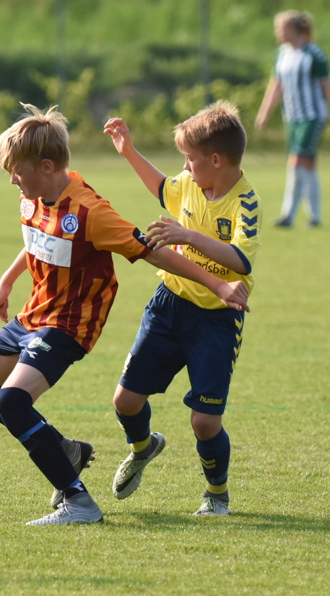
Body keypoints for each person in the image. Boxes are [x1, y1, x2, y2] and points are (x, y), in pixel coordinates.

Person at [0, 103, 249, 526]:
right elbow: (37, 236)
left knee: (12, 401)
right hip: (32, 313)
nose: (13, 180)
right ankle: (66, 450)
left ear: (46, 166)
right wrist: (6, 281)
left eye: (17, 171)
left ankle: (79, 503)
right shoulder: (34, 196)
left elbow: (153, 252)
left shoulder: (91, 213)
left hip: (68, 324)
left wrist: (219, 285)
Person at [102, 100, 261, 516]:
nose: (184, 167)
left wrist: (188, 236)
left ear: (216, 159)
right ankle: (142, 447)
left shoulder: (245, 202)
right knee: (125, 401)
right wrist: (129, 152)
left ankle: (217, 494)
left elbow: (241, 260)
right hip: (169, 304)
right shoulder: (189, 182)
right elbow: (161, 187)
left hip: (217, 319)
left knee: (204, 422)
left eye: (189, 158)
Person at [254, 9, 330, 228]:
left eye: (280, 28)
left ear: (293, 29)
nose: (277, 32)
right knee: (308, 164)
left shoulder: (313, 54)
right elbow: (276, 86)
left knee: (296, 161)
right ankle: (315, 217)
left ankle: (288, 215)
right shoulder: (282, 54)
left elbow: (328, 87)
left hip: (312, 117)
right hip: (292, 118)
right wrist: (264, 113)